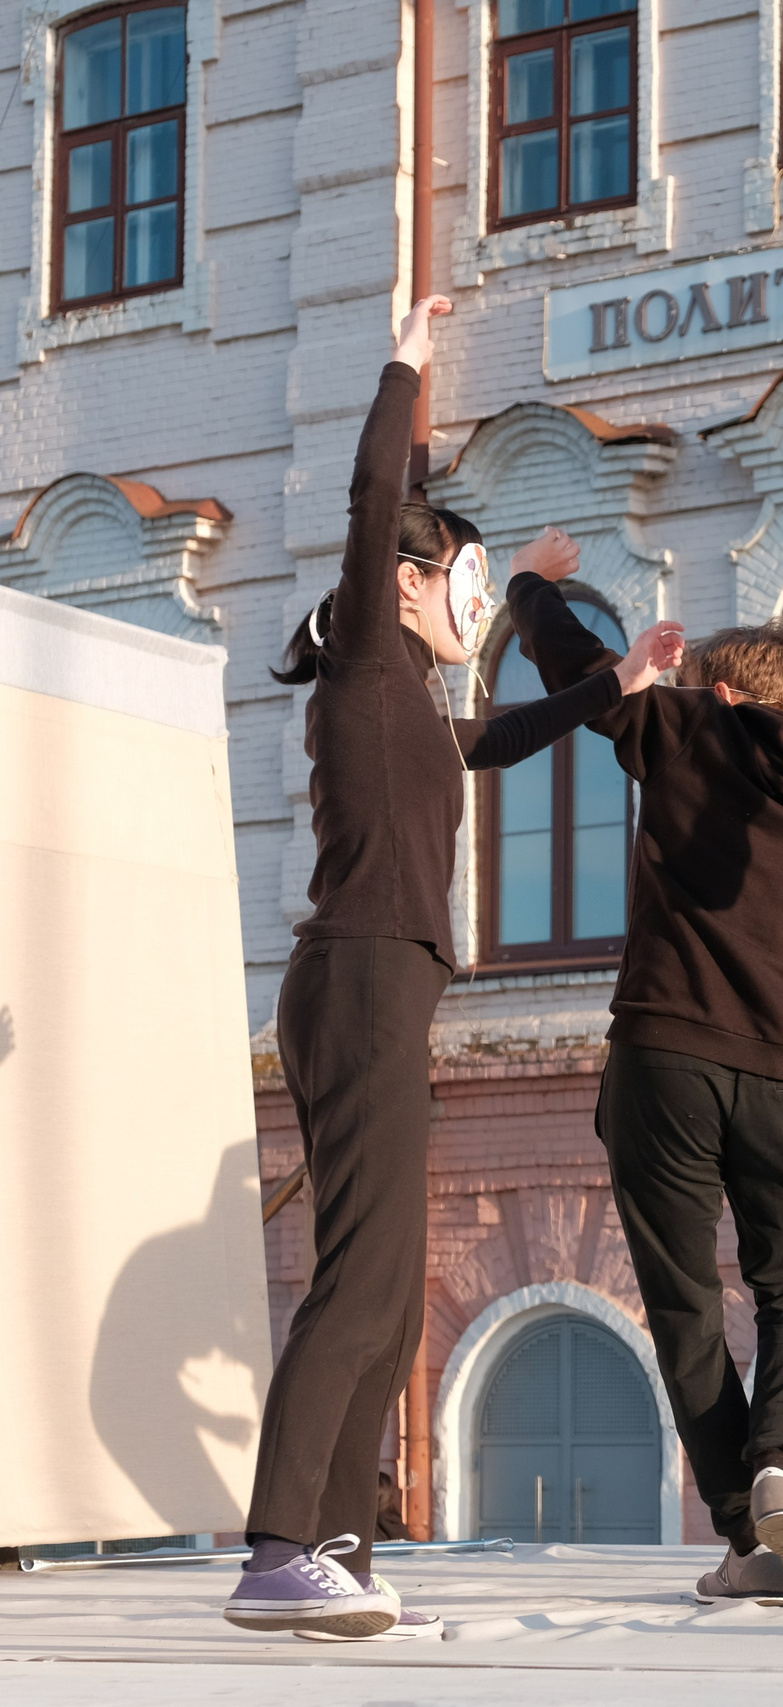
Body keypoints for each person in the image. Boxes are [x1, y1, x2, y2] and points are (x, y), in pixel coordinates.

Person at [225, 296, 683, 1640]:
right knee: (359, 1273)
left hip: (381, 983)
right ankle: (277, 1542)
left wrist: (620, 688)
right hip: (360, 973)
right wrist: (405, 369)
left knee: (390, 1273)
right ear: (408, 581)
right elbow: (380, 494)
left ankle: (342, 1542)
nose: (472, 605)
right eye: (465, 581)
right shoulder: (367, 655)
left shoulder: (409, 707)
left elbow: (494, 734)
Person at [505, 562, 783, 1604]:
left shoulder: (682, 731)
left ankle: (742, 1536)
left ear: (716, 691)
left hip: (665, 1054)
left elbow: (582, 670)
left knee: (684, 1301)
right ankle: (782, 1470)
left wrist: (532, 587)